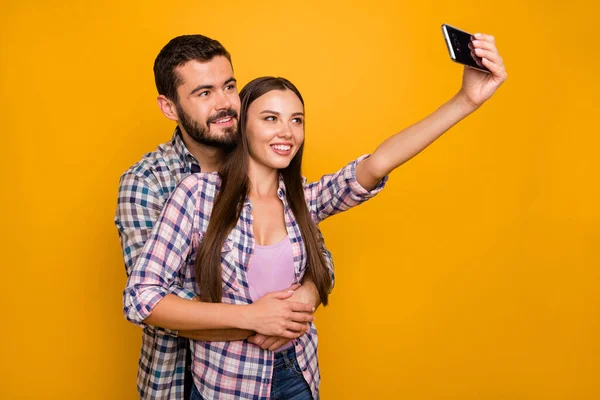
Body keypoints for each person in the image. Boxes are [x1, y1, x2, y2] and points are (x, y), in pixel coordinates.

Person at [123, 32, 507, 399]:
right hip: (216, 380)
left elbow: (376, 165)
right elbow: (146, 298)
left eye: (297, 119)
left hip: (297, 372)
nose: (224, 103)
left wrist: (465, 100)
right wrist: (255, 318)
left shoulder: (296, 197)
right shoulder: (186, 191)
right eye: (270, 118)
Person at [115, 34, 330, 400]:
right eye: (204, 93)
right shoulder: (147, 183)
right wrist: (258, 318)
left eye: (228, 86)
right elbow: (158, 307)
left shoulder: (264, 154)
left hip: (287, 371)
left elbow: (317, 255)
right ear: (169, 107)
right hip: (179, 381)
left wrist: (304, 298)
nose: (225, 104)